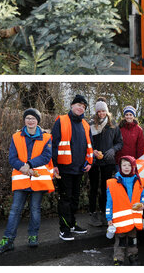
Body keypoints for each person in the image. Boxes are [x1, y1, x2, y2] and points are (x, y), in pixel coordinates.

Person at [0, 107, 53, 254]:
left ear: (38, 120)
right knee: (15, 210)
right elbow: (12, 158)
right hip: (21, 178)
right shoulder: (16, 136)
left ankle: (33, 236)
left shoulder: (46, 137)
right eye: (28, 118)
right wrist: (23, 167)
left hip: (38, 179)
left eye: (33, 118)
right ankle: (8, 240)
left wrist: (30, 165)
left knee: (35, 210)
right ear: (24, 120)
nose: (30, 120)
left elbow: (46, 156)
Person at [51, 94, 93, 241]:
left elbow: (90, 146)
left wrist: (89, 162)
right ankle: (64, 229)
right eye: (78, 105)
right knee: (65, 199)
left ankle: (72, 224)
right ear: (72, 106)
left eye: (83, 107)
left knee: (75, 199)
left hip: (79, 169)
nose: (81, 108)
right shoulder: (61, 120)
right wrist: (54, 165)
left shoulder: (86, 125)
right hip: (64, 168)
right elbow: (53, 144)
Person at [88, 99, 123, 227]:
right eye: (99, 111)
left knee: (105, 187)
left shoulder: (113, 125)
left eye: (103, 111)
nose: (101, 113)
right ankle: (92, 212)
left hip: (108, 161)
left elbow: (119, 142)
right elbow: (86, 141)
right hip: (93, 160)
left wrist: (113, 150)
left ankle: (104, 211)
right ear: (96, 112)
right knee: (93, 187)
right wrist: (92, 150)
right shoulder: (90, 124)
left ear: (107, 111)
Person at [105, 156, 144, 265]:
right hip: (120, 221)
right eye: (124, 165)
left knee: (133, 241)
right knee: (120, 242)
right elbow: (109, 203)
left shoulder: (138, 181)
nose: (127, 167)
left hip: (133, 220)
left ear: (133, 167)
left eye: (129, 165)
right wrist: (109, 218)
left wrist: (143, 204)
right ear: (120, 167)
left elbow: (142, 196)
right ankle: (118, 259)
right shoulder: (113, 183)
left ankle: (133, 258)